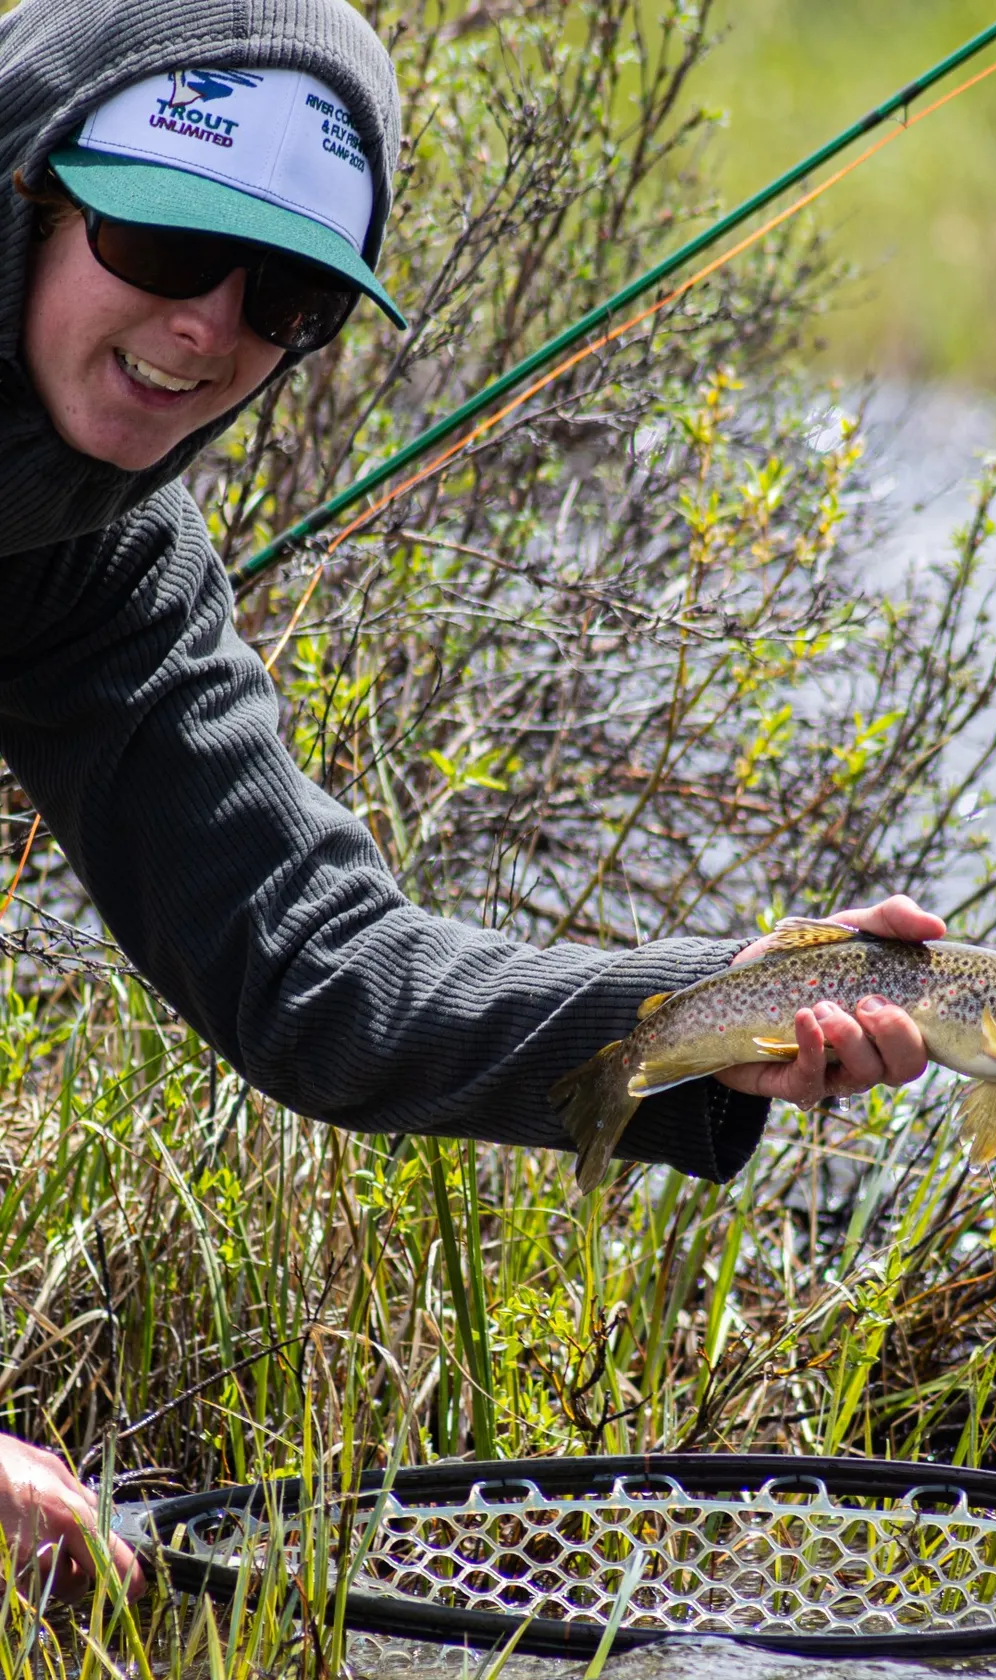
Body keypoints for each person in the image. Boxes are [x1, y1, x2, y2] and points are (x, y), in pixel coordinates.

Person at [0, 0, 940, 1600]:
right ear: (28, 188)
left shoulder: (104, 561)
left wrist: (718, 1012)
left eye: (287, 294)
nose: (205, 331)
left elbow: (322, 968)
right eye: (162, 241)